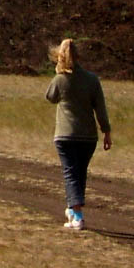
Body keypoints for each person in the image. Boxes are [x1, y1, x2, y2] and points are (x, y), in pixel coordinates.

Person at [45, 38, 112, 230]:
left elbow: (50, 97)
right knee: (79, 173)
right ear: (79, 55)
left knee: (70, 173)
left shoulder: (60, 79)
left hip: (65, 135)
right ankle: (73, 210)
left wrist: (59, 73)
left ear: (60, 56)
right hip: (88, 136)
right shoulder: (92, 80)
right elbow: (101, 109)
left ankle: (78, 215)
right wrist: (106, 132)